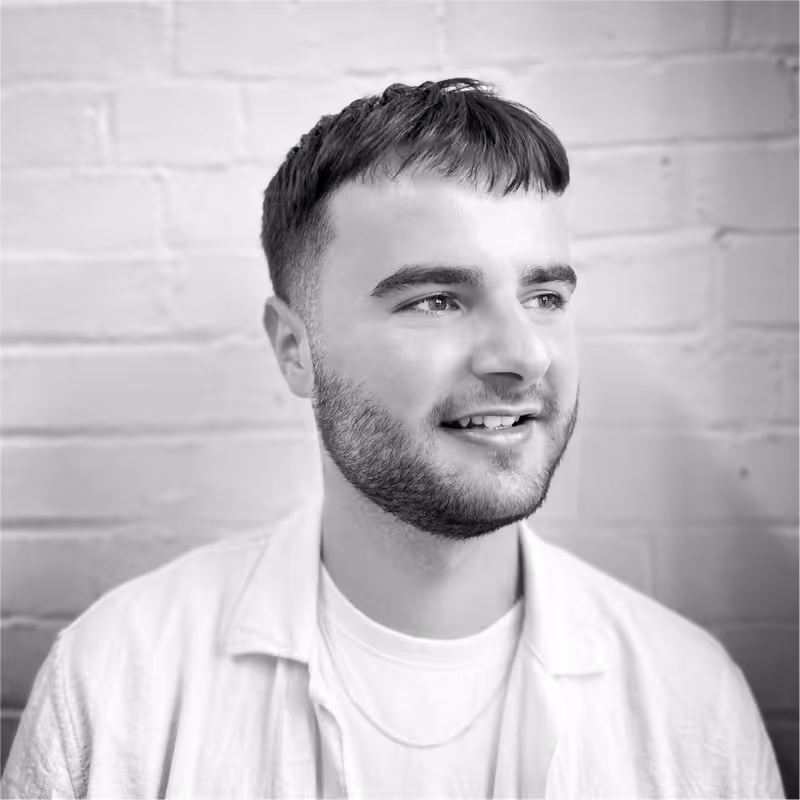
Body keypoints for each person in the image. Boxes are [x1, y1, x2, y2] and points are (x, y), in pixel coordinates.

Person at [2, 78, 784, 799]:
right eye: (437, 300)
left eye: (544, 295)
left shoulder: (692, 703)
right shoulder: (115, 686)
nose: (524, 355)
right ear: (294, 350)